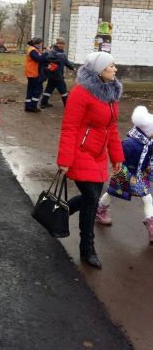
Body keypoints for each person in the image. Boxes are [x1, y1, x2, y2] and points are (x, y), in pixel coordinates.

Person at [57, 51, 124, 269]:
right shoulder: (81, 93)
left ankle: (60, 212)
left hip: (98, 156)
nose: (115, 69)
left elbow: (111, 129)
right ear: (98, 71)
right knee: (91, 198)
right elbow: (69, 128)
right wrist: (65, 160)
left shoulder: (111, 93)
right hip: (80, 153)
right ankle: (87, 249)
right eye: (110, 66)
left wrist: (117, 157)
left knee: (90, 199)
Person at [96, 106, 153, 242]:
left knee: (147, 198)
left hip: (140, 175)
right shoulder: (130, 144)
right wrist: (121, 170)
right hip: (125, 173)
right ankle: (100, 210)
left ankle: (151, 224)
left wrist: (149, 167)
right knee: (112, 192)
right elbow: (118, 158)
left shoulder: (149, 142)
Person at [40, 37, 75, 109]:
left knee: (49, 88)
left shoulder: (62, 52)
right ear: (57, 44)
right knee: (63, 89)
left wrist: (72, 67)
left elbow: (66, 61)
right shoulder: (53, 51)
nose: (61, 45)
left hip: (56, 74)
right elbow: (49, 59)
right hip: (56, 75)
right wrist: (56, 61)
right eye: (60, 44)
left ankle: (43, 103)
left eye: (63, 44)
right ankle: (67, 104)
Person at [24, 37, 49, 112]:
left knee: (31, 89)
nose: (41, 44)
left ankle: (28, 106)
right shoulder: (32, 50)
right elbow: (39, 59)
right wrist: (46, 53)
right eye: (41, 43)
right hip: (33, 73)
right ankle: (33, 106)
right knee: (37, 89)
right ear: (38, 43)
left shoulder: (33, 49)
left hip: (32, 72)